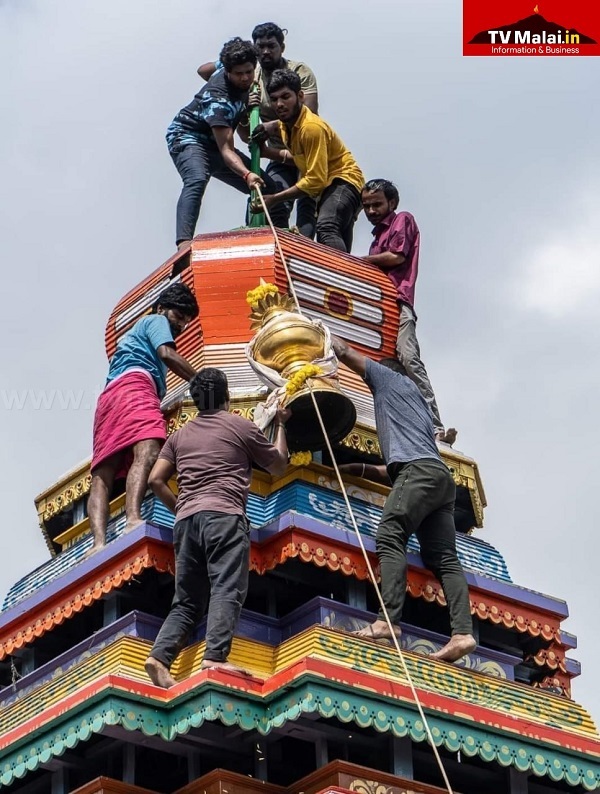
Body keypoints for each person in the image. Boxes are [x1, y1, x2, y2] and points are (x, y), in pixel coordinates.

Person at [331, 337, 476, 663]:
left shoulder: (389, 378)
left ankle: (387, 621)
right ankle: (463, 633)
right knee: (443, 558)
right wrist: (359, 468)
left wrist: (313, 329)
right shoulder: (418, 407)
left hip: (420, 474)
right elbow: (402, 462)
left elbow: (343, 351)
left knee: (390, 533)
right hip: (439, 479)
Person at [144, 368, 290, 687]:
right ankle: (214, 657)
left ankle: (159, 657)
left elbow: (155, 480)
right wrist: (280, 423)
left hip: (186, 522)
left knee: (187, 599)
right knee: (226, 586)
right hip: (224, 515)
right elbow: (279, 464)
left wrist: (181, 506)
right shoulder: (239, 426)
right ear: (226, 397)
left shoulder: (179, 435)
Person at [88, 283, 199, 555]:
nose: (182, 326)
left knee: (103, 473)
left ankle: (98, 544)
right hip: (136, 387)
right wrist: (201, 380)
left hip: (109, 397)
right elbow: (167, 354)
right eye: (179, 316)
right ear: (163, 308)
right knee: (148, 451)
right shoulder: (156, 320)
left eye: (186, 320)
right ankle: (133, 518)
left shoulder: (136, 335)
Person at [198, 22, 319, 239]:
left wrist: (269, 126)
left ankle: (305, 250)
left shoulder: (299, 71)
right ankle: (277, 247)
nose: (265, 51)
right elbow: (203, 71)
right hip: (280, 155)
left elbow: (308, 114)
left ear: (282, 47)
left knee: (307, 203)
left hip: (307, 149)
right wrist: (244, 105)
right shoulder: (251, 77)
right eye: (260, 47)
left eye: (271, 46)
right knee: (271, 197)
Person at [361, 179, 456, 445]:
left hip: (398, 302)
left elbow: (397, 257)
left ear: (392, 203)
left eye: (377, 204)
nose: (371, 211)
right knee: (389, 369)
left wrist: (359, 261)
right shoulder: (376, 238)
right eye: (366, 206)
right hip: (380, 306)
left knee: (408, 357)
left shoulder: (402, 219)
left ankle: (436, 427)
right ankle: (413, 430)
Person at [167, 37, 284, 249]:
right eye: (239, 74)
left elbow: (204, 69)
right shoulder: (218, 100)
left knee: (268, 188)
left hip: (217, 141)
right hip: (189, 137)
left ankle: (266, 238)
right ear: (228, 72)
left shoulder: (231, 64)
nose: (245, 77)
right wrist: (246, 174)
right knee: (197, 178)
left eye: (249, 71)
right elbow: (227, 150)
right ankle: (184, 244)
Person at [256, 69, 364, 253]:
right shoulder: (286, 127)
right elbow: (301, 159)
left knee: (327, 227)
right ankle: (344, 277)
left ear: (300, 96)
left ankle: (339, 280)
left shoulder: (310, 128)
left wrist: (275, 198)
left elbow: (315, 179)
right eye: (274, 99)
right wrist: (266, 152)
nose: (280, 104)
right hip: (328, 189)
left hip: (344, 182)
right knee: (334, 241)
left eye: (285, 97)